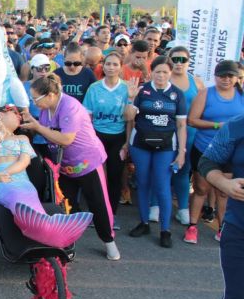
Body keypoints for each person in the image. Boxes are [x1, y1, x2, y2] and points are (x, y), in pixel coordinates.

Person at [21, 73, 121, 260]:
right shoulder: (45, 108)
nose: (34, 102)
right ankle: (65, 243)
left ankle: (109, 241)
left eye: (36, 98)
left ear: (50, 95)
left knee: (98, 203)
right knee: (64, 205)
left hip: (87, 161)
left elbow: (66, 139)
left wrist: (37, 127)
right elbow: (45, 132)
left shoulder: (70, 106)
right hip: (64, 165)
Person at [0, 105, 92, 247]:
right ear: (0, 116)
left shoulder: (22, 138)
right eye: (14, 112)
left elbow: (24, 161)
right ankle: (40, 228)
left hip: (20, 179)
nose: (19, 115)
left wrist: (6, 172)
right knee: (14, 193)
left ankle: (44, 226)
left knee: (28, 193)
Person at [196, 113, 244, 299]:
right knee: (237, 298)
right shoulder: (237, 126)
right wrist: (225, 187)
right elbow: (206, 163)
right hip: (239, 228)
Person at [127, 56, 187, 248]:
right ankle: (144, 222)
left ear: (170, 73)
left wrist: (182, 152)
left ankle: (165, 229)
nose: (161, 75)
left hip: (167, 146)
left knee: (162, 185)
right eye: (157, 71)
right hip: (141, 143)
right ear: (151, 72)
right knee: (143, 183)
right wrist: (130, 97)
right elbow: (128, 117)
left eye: (165, 72)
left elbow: (181, 124)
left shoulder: (177, 94)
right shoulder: (142, 90)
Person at [185, 60, 244, 244]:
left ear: (236, 78)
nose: (226, 79)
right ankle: (192, 227)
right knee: (201, 188)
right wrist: (218, 125)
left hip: (231, 152)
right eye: (222, 75)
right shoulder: (206, 94)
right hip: (205, 147)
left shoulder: (241, 95)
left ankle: (222, 228)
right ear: (215, 77)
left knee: (225, 192)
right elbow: (192, 120)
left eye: (230, 76)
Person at [82, 51, 137, 216]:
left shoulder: (127, 87)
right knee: (96, 177)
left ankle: (110, 214)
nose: (111, 67)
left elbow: (129, 119)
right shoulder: (94, 88)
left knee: (114, 176)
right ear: (103, 66)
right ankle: (96, 212)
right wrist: (89, 140)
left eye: (115, 64)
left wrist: (131, 99)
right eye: (108, 64)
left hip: (118, 137)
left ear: (120, 67)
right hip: (97, 136)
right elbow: (87, 117)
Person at [161, 45, 204, 226]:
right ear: (169, 60)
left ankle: (183, 209)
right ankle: (156, 206)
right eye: (175, 59)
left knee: (184, 170)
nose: (179, 64)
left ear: (189, 62)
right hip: (164, 132)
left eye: (183, 60)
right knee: (162, 171)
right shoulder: (163, 79)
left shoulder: (197, 83)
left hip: (190, 133)